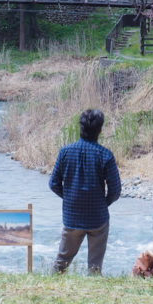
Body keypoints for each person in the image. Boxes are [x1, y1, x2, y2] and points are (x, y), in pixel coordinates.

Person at [49, 108, 122, 275]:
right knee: (95, 266)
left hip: (72, 216)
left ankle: (49, 288)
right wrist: (103, 203)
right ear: (100, 130)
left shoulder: (65, 152)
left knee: (61, 262)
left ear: (80, 127)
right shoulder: (106, 155)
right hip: (98, 217)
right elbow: (115, 191)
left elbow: (53, 183)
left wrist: (69, 197)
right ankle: (94, 292)